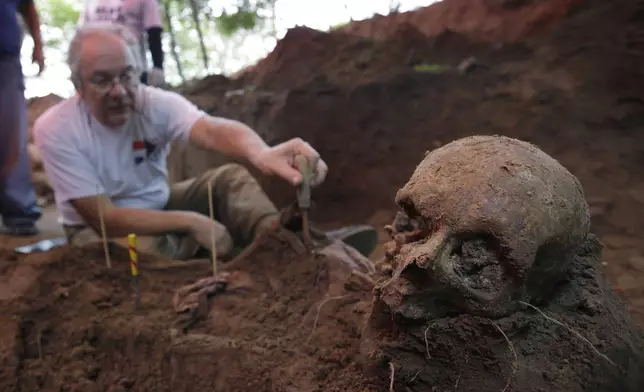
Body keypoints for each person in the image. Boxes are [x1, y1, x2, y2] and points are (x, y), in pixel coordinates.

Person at [33, 22, 377, 260]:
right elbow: (105, 218)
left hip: (161, 202)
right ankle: (234, 268)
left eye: (127, 76)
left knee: (229, 180)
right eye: (102, 81)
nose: (120, 91)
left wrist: (260, 152)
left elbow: (211, 129)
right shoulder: (57, 129)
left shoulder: (153, 103)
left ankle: (287, 247)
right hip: (99, 233)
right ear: (78, 84)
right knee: (150, 248)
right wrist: (192, 222)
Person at [0, 0, 44, 236]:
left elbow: (27, 6)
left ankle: (20, 212)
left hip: (5, 57)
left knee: (11, 136)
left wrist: (38, 45)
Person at [78, 0, 166, 87]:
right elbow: (81, 34)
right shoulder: (90, 2)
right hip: (98, 68)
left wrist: (158, 67)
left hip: (134, 68)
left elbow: (154, 32)